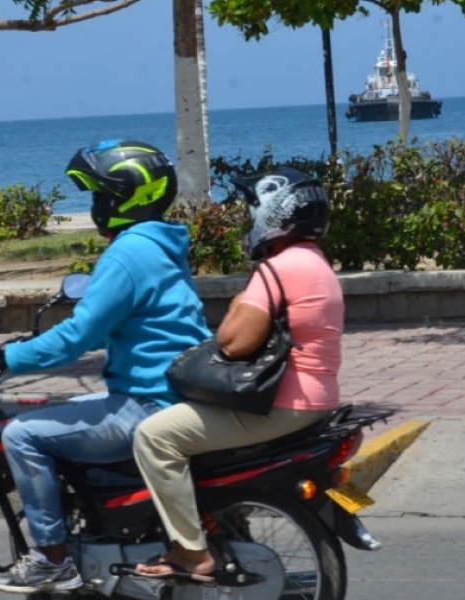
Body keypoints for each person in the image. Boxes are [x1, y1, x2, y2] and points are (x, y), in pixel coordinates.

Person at [0, 139, 211, 594]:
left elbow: (79, 336)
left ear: (128, 195)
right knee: (74, 407)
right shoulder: (158, 243)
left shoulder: (128, 253)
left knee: (22, 434)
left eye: (100, 195)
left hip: (149, 402)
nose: (96, 205)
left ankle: (51, 559)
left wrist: (6, 356)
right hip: (169, 392)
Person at [132, 166, 343, 581]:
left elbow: (233, 342)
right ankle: (223, 524)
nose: (249, 218)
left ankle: (192, 553)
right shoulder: (315, 262)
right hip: (317, 400)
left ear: (274, 211)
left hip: (281, 403)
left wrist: (240, 303)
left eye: (253, 208)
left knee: (154, 437)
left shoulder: (279, 268)